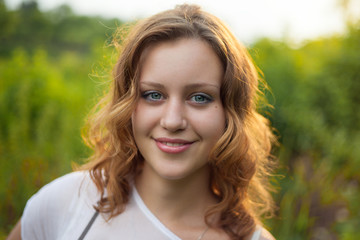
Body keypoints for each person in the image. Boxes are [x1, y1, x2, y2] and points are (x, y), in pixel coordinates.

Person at [7, 4, 277, 240]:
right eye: (153, 95)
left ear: (232, 112)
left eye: (199, 97)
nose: (172, 121)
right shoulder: (64, 203)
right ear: (126, 105)